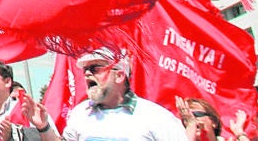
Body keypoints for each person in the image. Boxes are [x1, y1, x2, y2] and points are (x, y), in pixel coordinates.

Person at [18, 49, 185, 140]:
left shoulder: (156, 117)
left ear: (119, 75)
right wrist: (43, 127)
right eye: (85, 70)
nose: (88, 74)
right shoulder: (81, 113)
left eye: (95, 68)